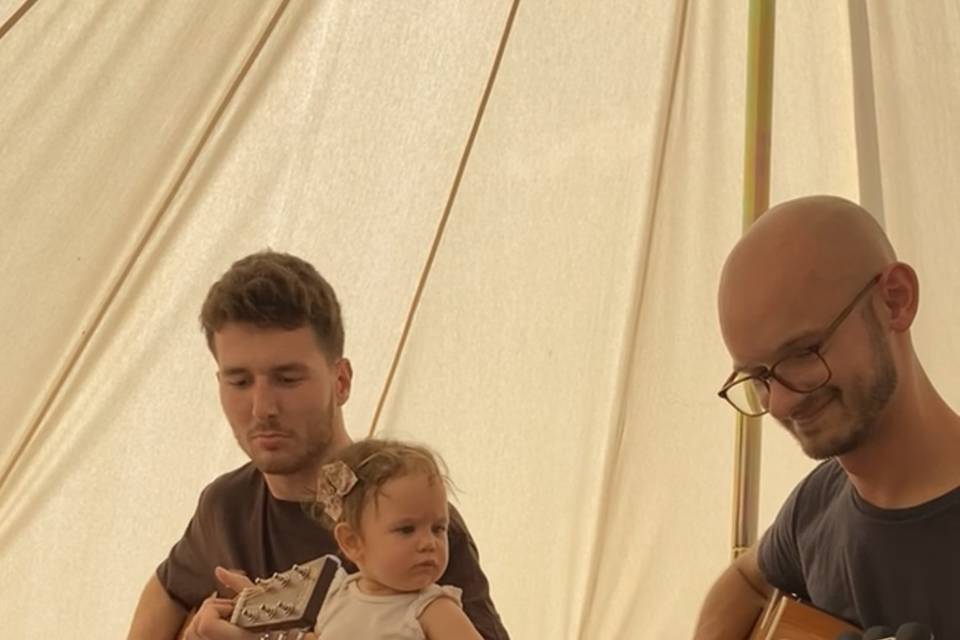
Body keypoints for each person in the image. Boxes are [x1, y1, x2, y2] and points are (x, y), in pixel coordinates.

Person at [126, 250, 508, 640]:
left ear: (340, 381)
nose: (262, 408)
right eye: (239, 381)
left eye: (288, 379)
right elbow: (168, 589)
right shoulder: (225, 506)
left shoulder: (414, 521)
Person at [693, 195, 960, 639]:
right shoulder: (817, 504)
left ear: (895, 301)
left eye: (802, 353)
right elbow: (743, 582)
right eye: (758, 376)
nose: (778, 403)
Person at [193, 438, 485, 640]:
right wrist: (257, 618)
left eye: (438, 528)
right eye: (407, 530)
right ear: (352, 541)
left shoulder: (432, 608)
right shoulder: (336, 595)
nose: (428, 543)